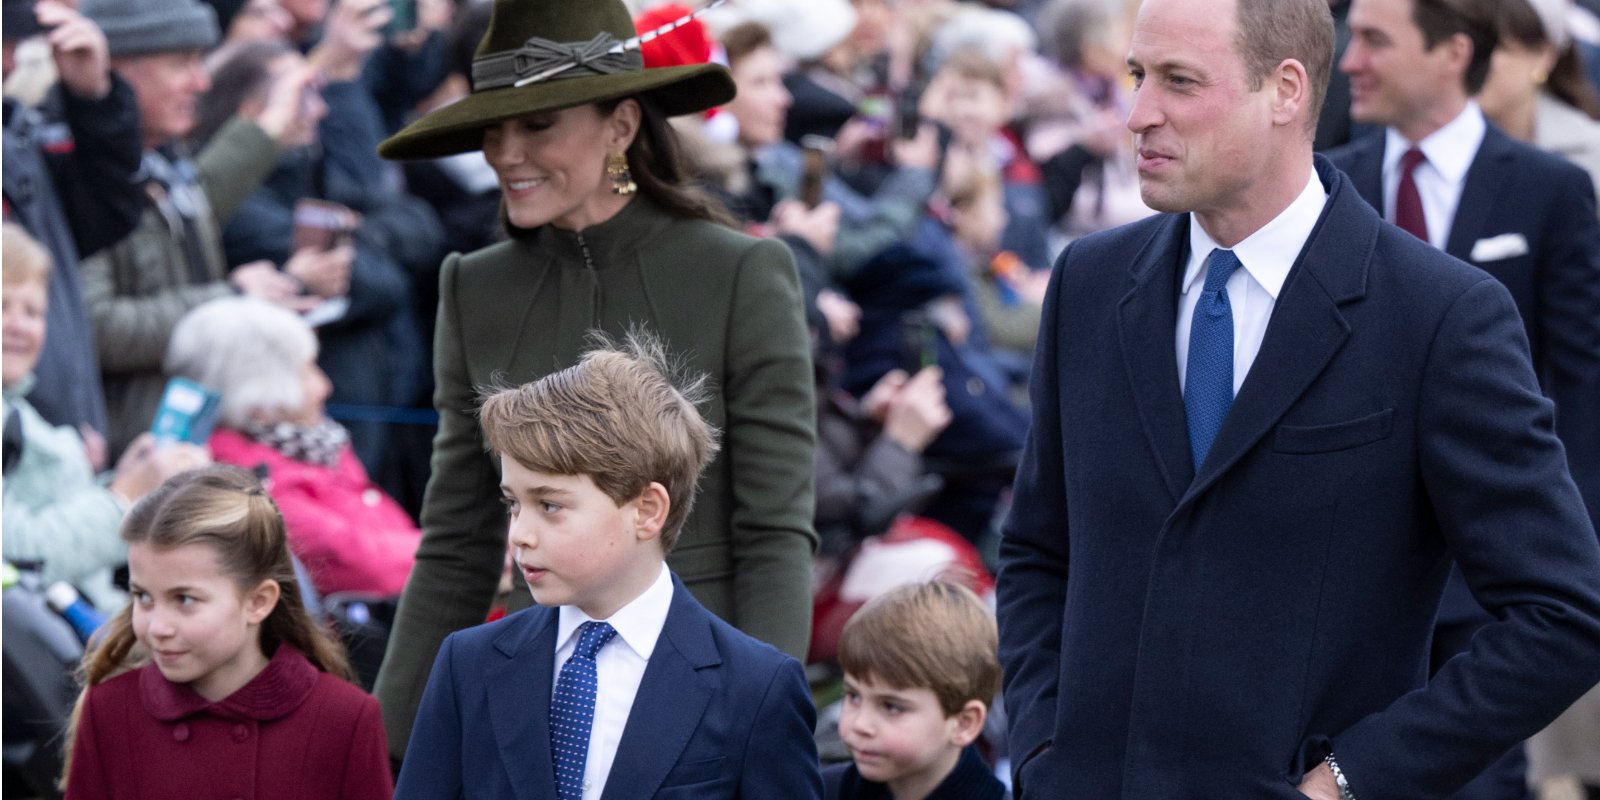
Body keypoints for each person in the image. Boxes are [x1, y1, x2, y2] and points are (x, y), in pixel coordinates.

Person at [995, 0, 1600, 798]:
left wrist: (1347, 783)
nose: (1138, 114)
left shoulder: (1436, 314)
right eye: (1138, 75)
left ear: (1285, 91)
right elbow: (1040, 549)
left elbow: (1563, 613)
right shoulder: (1090, 283)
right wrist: (1046, 751)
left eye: (1179, 81)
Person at [370, 0, 818, 762]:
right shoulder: (473, 287)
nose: (506, 152)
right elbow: (458, 538)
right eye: (493, 128)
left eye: (538, 124)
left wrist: (759, 717)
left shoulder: (739, 273)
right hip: (530, 699)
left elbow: (774, 529)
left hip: (699, 699)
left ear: (621, 126)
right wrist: (380, 744)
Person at [1329, 1, 1600, 796]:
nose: (1351, 61)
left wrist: (1566, 546)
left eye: (1376, 40)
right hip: (1349, 580)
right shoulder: (1325, 185)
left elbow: (1583, 382)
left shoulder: (1550, 189)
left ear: (1452, 52)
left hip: (1488, 576)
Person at [394, 332, 822, 799]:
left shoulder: (756, 687)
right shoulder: (469, 664)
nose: (519, 533)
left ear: (646, 511)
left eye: (550, 505)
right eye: (513, 503)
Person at [79, 0, 323, 460]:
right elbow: (99, 327)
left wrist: (270, 125)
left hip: (180, 440)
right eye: (180, 64)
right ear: (111, 71)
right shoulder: (83, 179)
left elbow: (205, 194)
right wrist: (228, 299)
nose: (201, 81)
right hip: (131, 452)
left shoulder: (164, 164)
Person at [61, 465, 393, 800]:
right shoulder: (110, 710)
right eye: (142, 596)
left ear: (258, 602)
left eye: (185, 599)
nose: (157, 627)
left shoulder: (344, 718)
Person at [2, 222, 207, 611]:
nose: (18, 326)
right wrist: (125, 496)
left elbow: (49, 508)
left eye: (33, 311)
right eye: (2, 306)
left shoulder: (20, 408)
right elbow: (17, 557)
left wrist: (127, 480)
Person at [165, 296, 420, 598]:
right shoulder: (249, 485)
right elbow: (358, 565)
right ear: (257, 391)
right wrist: (459, 554)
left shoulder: (310, 445)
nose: (325, 386)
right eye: (306, 371)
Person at [3, 0, 142, 463]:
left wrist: (93, 100)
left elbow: (107, 216)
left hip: (62, 443)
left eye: (14, 42)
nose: (9, 60)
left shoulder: (16, 133)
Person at [827, 581, 1006, 800]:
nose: (860, 725)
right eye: (854, 696)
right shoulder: (817, 790)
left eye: (891, 707)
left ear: (964, 722)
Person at [1477, 0, 1600, 195]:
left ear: (1544, 56)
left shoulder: (1589, 152)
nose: (1474, 60)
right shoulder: (1433, 140)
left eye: (1498, 47)